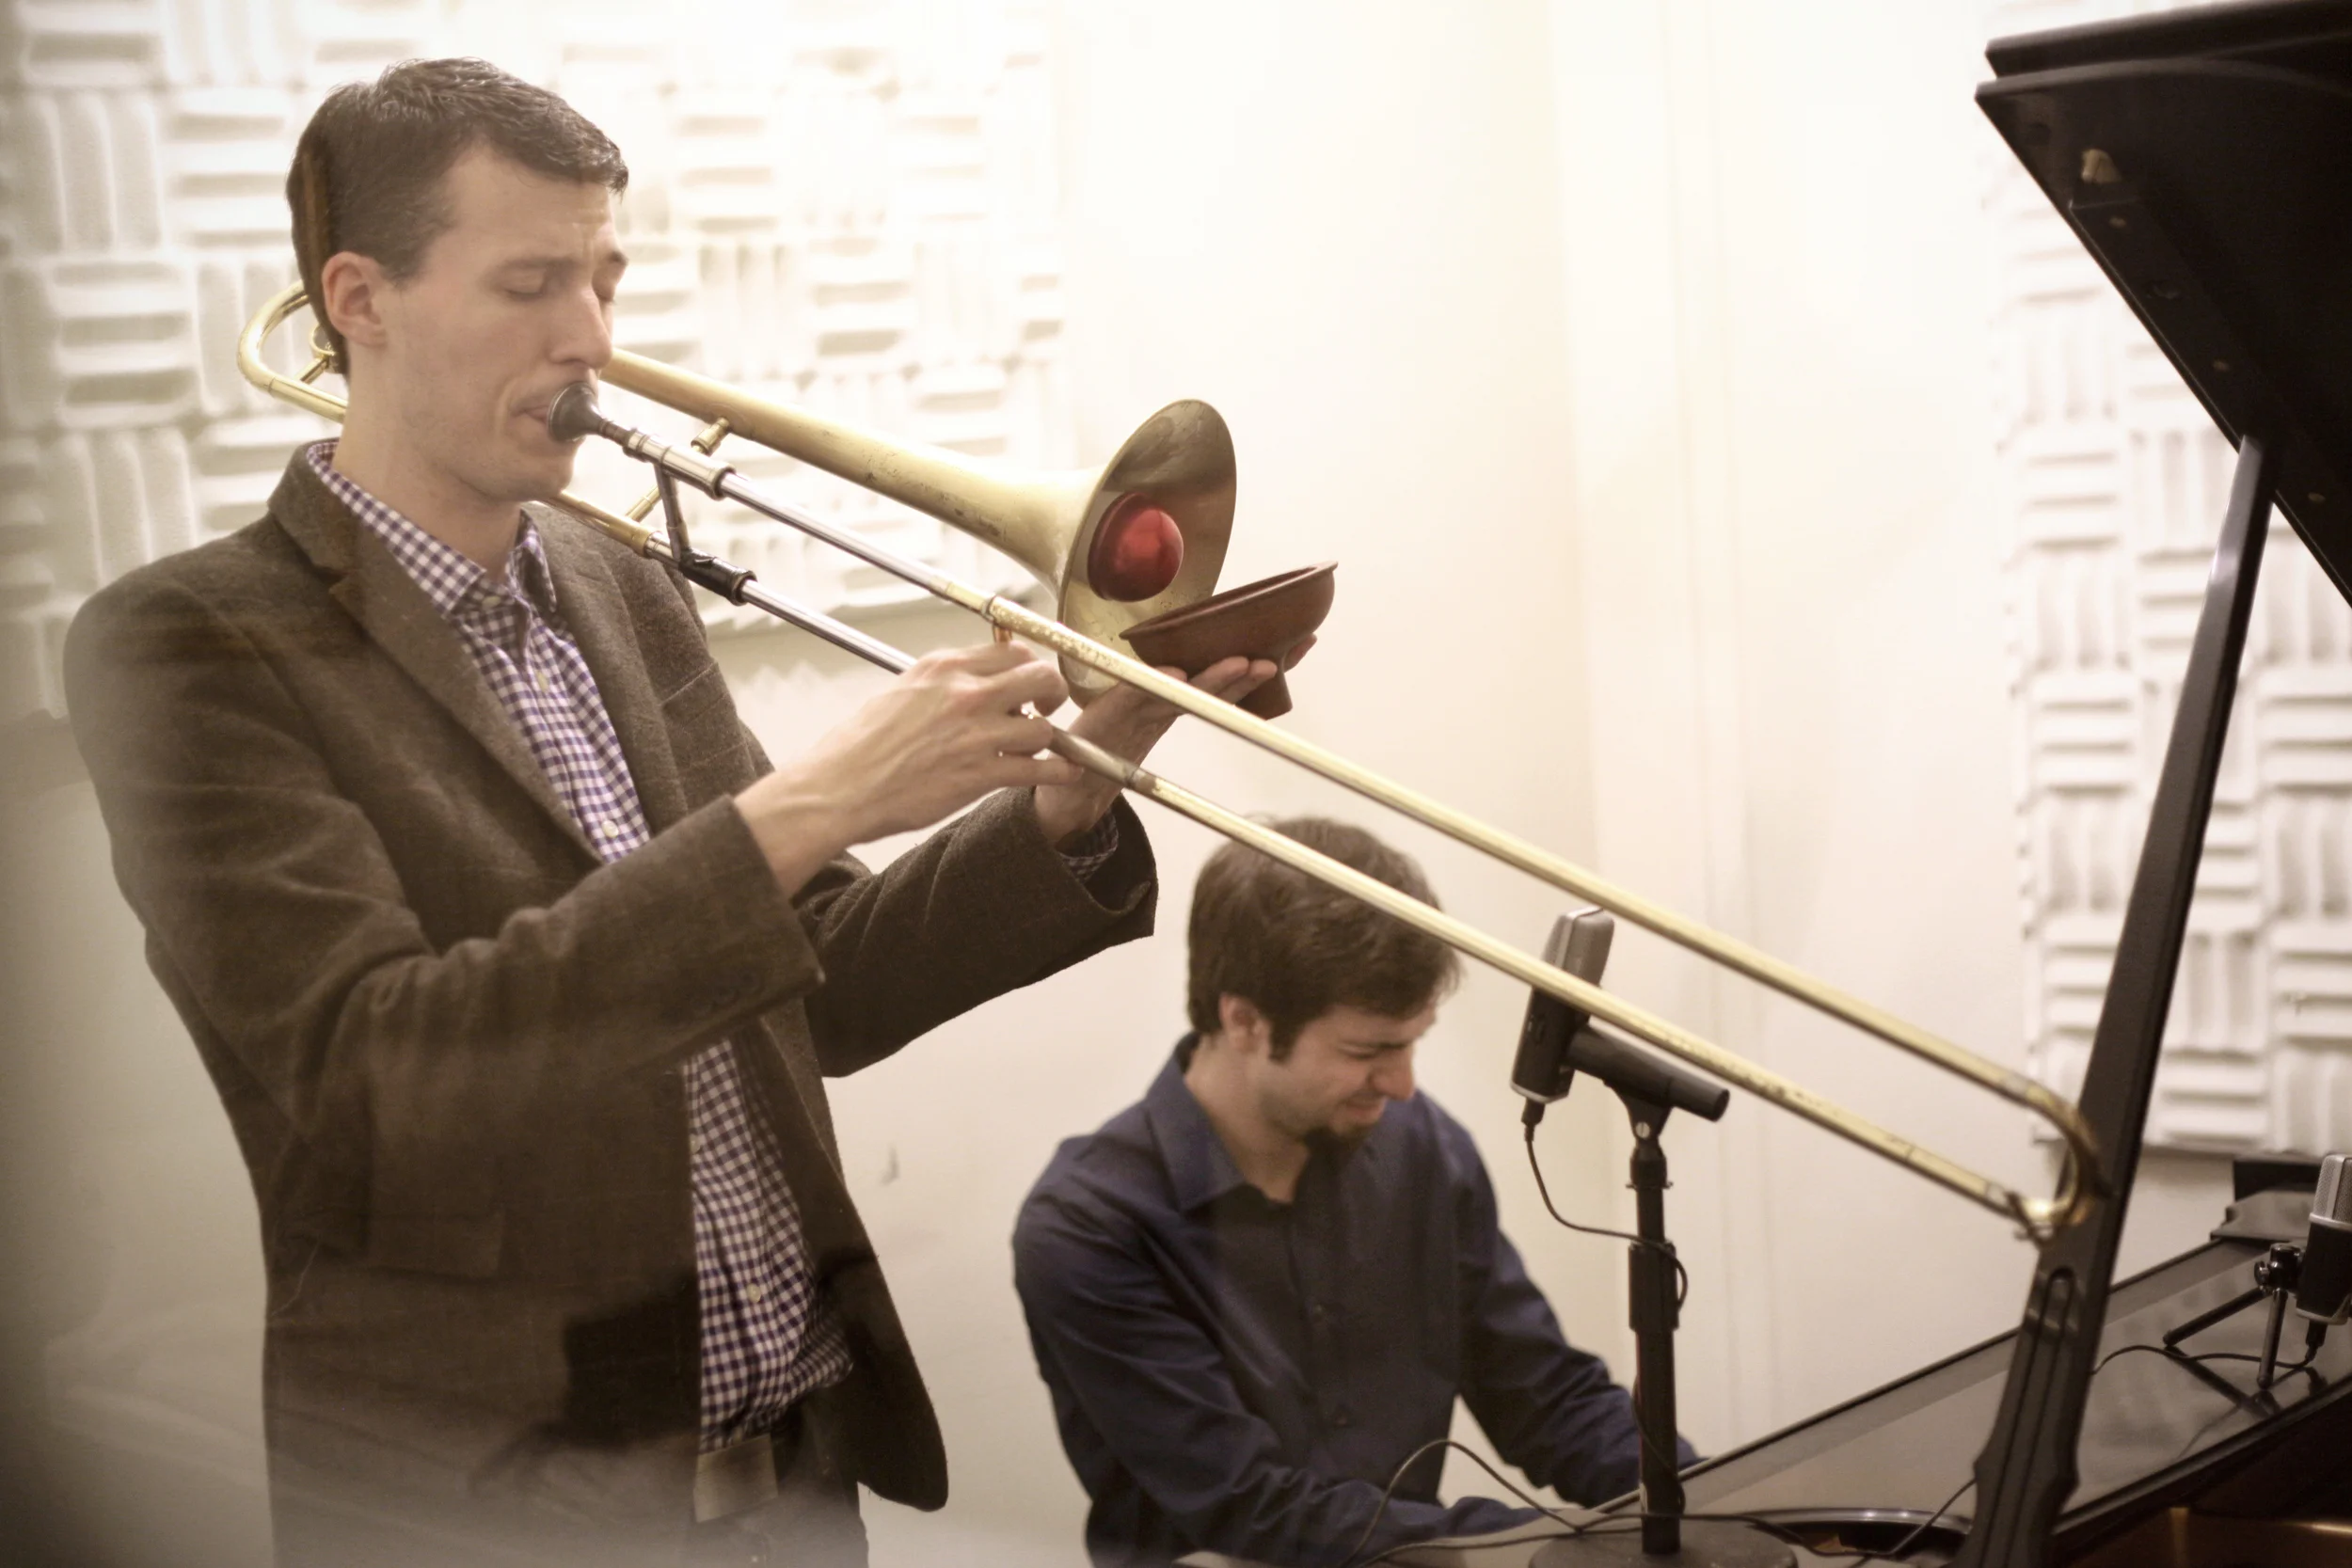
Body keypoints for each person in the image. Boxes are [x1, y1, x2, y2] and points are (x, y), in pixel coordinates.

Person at [64, 57, 1282, 1568]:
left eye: (603, 278)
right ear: (359, 300)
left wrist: (1064, 790)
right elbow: (378, 1075)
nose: (591, 339)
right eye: (527, 283)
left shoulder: (616, 584)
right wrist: (804, 804)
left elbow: (816, 979)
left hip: (790, 1486)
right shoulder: (188, 644)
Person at [1013, 817, 1691, 1568]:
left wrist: (1694, 1504)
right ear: (1243, 1020)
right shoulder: (1088, 1227)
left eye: (1412, 1043)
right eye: (1368, 1051)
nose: (1402, 1085)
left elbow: (1543, 1394)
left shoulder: (1422, 1146)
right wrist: (1549, 1545)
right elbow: (1251, 1505)